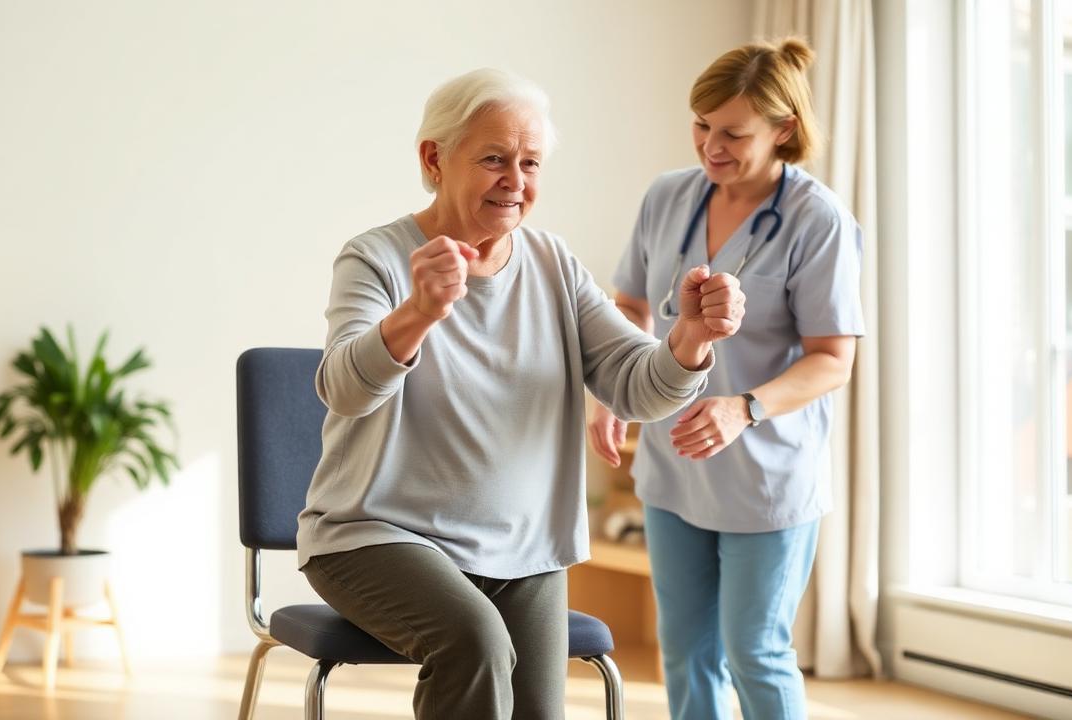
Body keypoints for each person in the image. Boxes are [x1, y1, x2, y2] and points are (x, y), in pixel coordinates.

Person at [296, 68, 746, 720]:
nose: (515, 180)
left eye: (530, 162)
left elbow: (637, 388)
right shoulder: (377, 258)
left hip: (523, 550)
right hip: (375, 537)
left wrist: (690, 339)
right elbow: (343, 388)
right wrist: (417, 313)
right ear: (434, 159)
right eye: (493, 159)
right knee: (475, 642)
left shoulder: (553, 264)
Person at [587, 38, 865, 720]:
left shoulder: (818, 221)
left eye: (733, 133)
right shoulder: (668, 196)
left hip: (767, 475)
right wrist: (609, 390)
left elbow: (834, 357)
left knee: (755, 653)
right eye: (701, 125)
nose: (710, 146)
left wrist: (744, 408)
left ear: (783, 130)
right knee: (685, 651)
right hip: (673, 464)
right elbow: (630, 305)